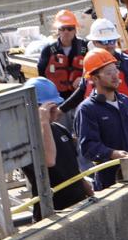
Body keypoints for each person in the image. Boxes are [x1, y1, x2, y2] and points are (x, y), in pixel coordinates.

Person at [75, 48, 128, 191]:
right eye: (108, 73)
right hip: (110, 183)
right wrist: (112, 154)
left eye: (115, 70)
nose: (115, 76)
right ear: (94, 78)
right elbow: (88, 147)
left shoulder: (125, 102)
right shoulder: (87, 110)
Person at [20, 77, 93, 220]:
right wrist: (44, 122)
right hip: (53, 212)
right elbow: (49, 160)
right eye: (51, 107)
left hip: (79, 205)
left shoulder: (60, 129)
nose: (56, 111)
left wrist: (88, 190)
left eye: (56, 106)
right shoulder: (27, 139)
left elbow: (73, 168)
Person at [60, 18, 128, 123]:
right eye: (104, 41)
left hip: (123, 124)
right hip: (95, 122)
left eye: (112, 41)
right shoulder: (90, 62)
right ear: (94, 43)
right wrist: (60, 110)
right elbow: (83, 90)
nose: (109, 45)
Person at [35, 10, 88, 97]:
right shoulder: (48, 50)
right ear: (58, 30)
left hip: (80, 95)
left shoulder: (85, 47)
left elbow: (95, 70)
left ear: (75, 30)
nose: (66, 32)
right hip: (57, 97)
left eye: (70, 28)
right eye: (62, 28)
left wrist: (83, 78)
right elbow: (41, 75)